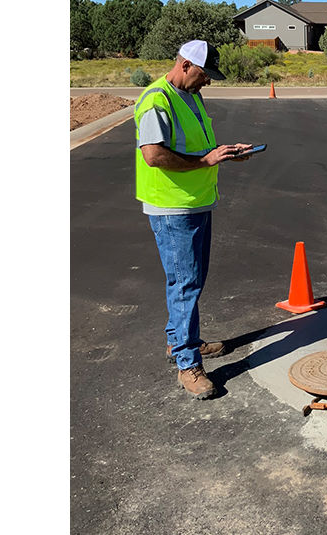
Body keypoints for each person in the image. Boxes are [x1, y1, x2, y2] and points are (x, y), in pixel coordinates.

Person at [135, 39, 256, 400]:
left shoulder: (190, 95)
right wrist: (205, 162)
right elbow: (153, 155)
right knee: (185, 284)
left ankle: (180, 343)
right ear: (186, 65)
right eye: (205, 74)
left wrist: (223, 155)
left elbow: (193, 147)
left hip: (197, 201)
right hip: (173, 207)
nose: (208, 82)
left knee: (191, 280)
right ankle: (187, 364)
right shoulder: (158, 100)